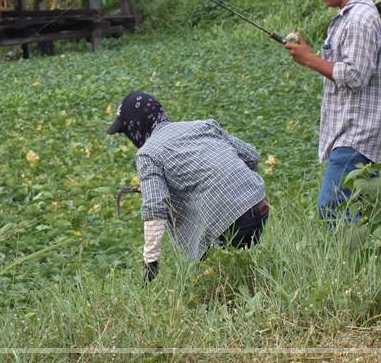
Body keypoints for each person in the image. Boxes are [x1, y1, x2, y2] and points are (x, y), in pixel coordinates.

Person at [285, 0, 381, 220]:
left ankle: (350, 259)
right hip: (358, 127)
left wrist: (310, 59)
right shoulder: (349, 16)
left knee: (332, 205)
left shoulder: (360, 19)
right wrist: (310, 55)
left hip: (360, 130)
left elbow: (354, 74)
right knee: (361, 207)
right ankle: (366, 259)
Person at [107, 91, 269, 282]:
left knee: (210, 280)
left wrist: (151, 262)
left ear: (136, 125)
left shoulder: (147, 153)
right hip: (259, 204)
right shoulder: (202, 125)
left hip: (230, 222)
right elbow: (251, 156)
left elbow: (155, 208)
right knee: (241, 274)